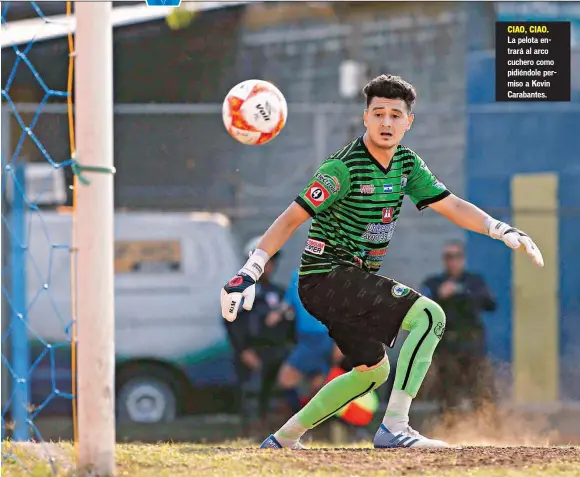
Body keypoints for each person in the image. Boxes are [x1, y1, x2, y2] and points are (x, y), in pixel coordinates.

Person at [220, 74, 544, 450]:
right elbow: (291, 217)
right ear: (365, 118)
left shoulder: (406, 164)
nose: (386, 122)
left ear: (409, 121)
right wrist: (251, 270)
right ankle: (395, 427)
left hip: (344, 281)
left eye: (395, 115)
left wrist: (501, 229)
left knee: (372, 373)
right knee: (430, 316)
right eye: (378, 114)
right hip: (327, 277)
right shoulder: (342, 168)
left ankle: (283, 439)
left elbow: (451, 204)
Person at [223, 236, 295, 437]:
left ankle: (276, 434)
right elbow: (232, 323)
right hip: (253, 352)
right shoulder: (240, 290)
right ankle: (252, 433)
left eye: (271, 262)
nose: (268, 267)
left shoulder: (279, 293)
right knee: (253, 393)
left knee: (278, 395)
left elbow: (291, 323)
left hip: (279, 352)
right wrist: (243, 350)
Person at [421, 241, 498, 414]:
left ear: (462, 259)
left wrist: (462, 291)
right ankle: (451, 432)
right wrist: (440, 296)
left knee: (481, 393)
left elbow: (490, 303)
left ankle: (486, 432)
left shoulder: (474, 281)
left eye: (456, 257)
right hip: (446, 348)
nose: (452, 261)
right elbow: (420, 305)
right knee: (448, 396)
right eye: (448, 257)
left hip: (472, 347)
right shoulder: (434, 283)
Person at [276, 268, 335, 415]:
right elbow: (288, 302)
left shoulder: (333, 275)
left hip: (320, 336)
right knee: (316, 383)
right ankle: (315, 423)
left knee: (286, 378)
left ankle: (298, 421)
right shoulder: (297, 275)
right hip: (306, 337)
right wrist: (276, 314)